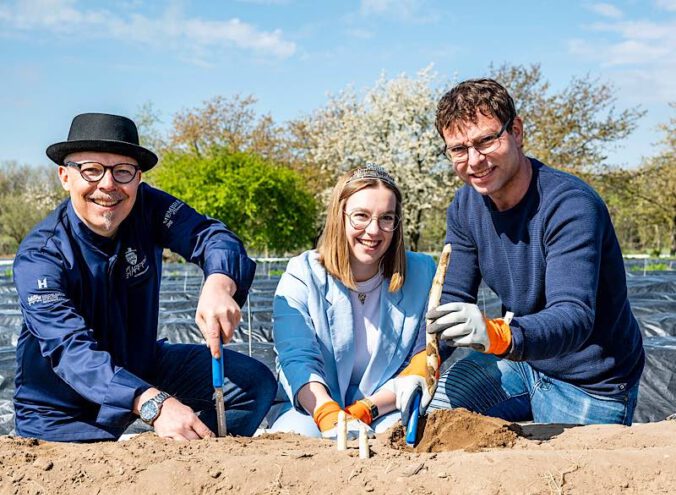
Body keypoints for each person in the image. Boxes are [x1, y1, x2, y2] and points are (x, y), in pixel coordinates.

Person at [13, 112, 276, 442]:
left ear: (138, 178)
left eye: (123, 171)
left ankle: (197, 473)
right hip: (62, 410)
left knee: (252, 382)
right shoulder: (41, 255)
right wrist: (153, 403)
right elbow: (69, 350)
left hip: (140, 363)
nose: (108, 185)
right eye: (91, 170)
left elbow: (210, 236)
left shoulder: (148, 208)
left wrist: (219, 283)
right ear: (65, 176)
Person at [426, 78, 645, 425]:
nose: (474, 161)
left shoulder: (569, 206)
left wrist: (498, 333)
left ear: (516, 131)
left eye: (486, 140)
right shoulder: (466, 204)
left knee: (563, 476)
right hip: (521, 363)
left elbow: (574, 314)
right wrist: (417, 366)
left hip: (589, 381)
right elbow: (452, 295)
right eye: (458, 149)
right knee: (433, 418)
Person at [270, 164, 436, 438]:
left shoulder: (422, 273)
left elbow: (422, 356)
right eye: (361, 216)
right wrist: (328, 414)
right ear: (340, 217)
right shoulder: (302, 273)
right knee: (297, 441)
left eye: (386, 218)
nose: (373, 231)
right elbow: (296, 358)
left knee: (397, 441)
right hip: (314, 407)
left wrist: (366, 409)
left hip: (386, 407)